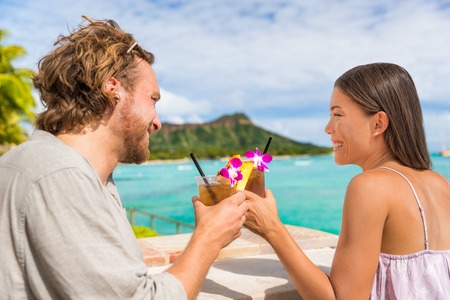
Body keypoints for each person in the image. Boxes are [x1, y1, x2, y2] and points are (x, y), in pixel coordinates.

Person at [0, 16, 248, 299]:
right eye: (152, 100)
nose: (158, 123)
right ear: (113, 89)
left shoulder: (71, 171)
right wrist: (209, 238)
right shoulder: (59, 175)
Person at [243, 63, 450, 299]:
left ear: (378, 124)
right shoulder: (440, 183)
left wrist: (271, 229)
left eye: (337, 114)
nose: (328, 128)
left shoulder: (370, 187)